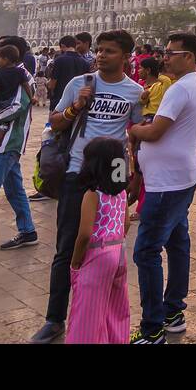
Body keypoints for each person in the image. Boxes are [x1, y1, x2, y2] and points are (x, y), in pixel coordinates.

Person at [31, 30, 143, 344]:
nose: (101, 56)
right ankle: (55, 319)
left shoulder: (134, 92)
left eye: (109, 51)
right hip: (77, 173)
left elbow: (131, 135)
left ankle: (103, 314)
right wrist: (76, 107)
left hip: (112, 179)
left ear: (125, 56)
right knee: (67, 247)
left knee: (110, 247)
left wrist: (132, 178)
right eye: (99, 50)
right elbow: (54, 123)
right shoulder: (80, 84)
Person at [127, 33, 196, 343]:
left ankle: (152, 327)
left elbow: (156, 132)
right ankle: (173, 311)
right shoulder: (192, 85)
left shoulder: (178, 89)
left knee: (146, 251)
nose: (165, 57)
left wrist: (133, 128)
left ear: (189, 57)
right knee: (177, 242)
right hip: (180, 175)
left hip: (167, 182)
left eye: (171, 53)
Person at [66, 136, 131, 344]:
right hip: (118, 251)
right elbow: (126, 223)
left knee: (88, 314)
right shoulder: (121, 193)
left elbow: (84, 233)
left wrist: (76, 261)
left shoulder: (92, 194)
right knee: (116, 309)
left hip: (98, 253)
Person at [0, 43, 38, 250]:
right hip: (5, 139)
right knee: (14, 188)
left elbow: (20, 106)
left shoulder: (23, 76)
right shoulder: (11, 74)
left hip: (11, 139)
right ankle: (27, 230)